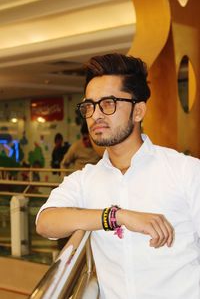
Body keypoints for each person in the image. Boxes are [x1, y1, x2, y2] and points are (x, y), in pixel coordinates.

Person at [36, 53, 200, 299]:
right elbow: (45, 222)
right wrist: (117, 216)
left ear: (138, 111)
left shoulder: (184, 171)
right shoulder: (85, 180)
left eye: (109, 103)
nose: (95, 115)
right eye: (89, 106)